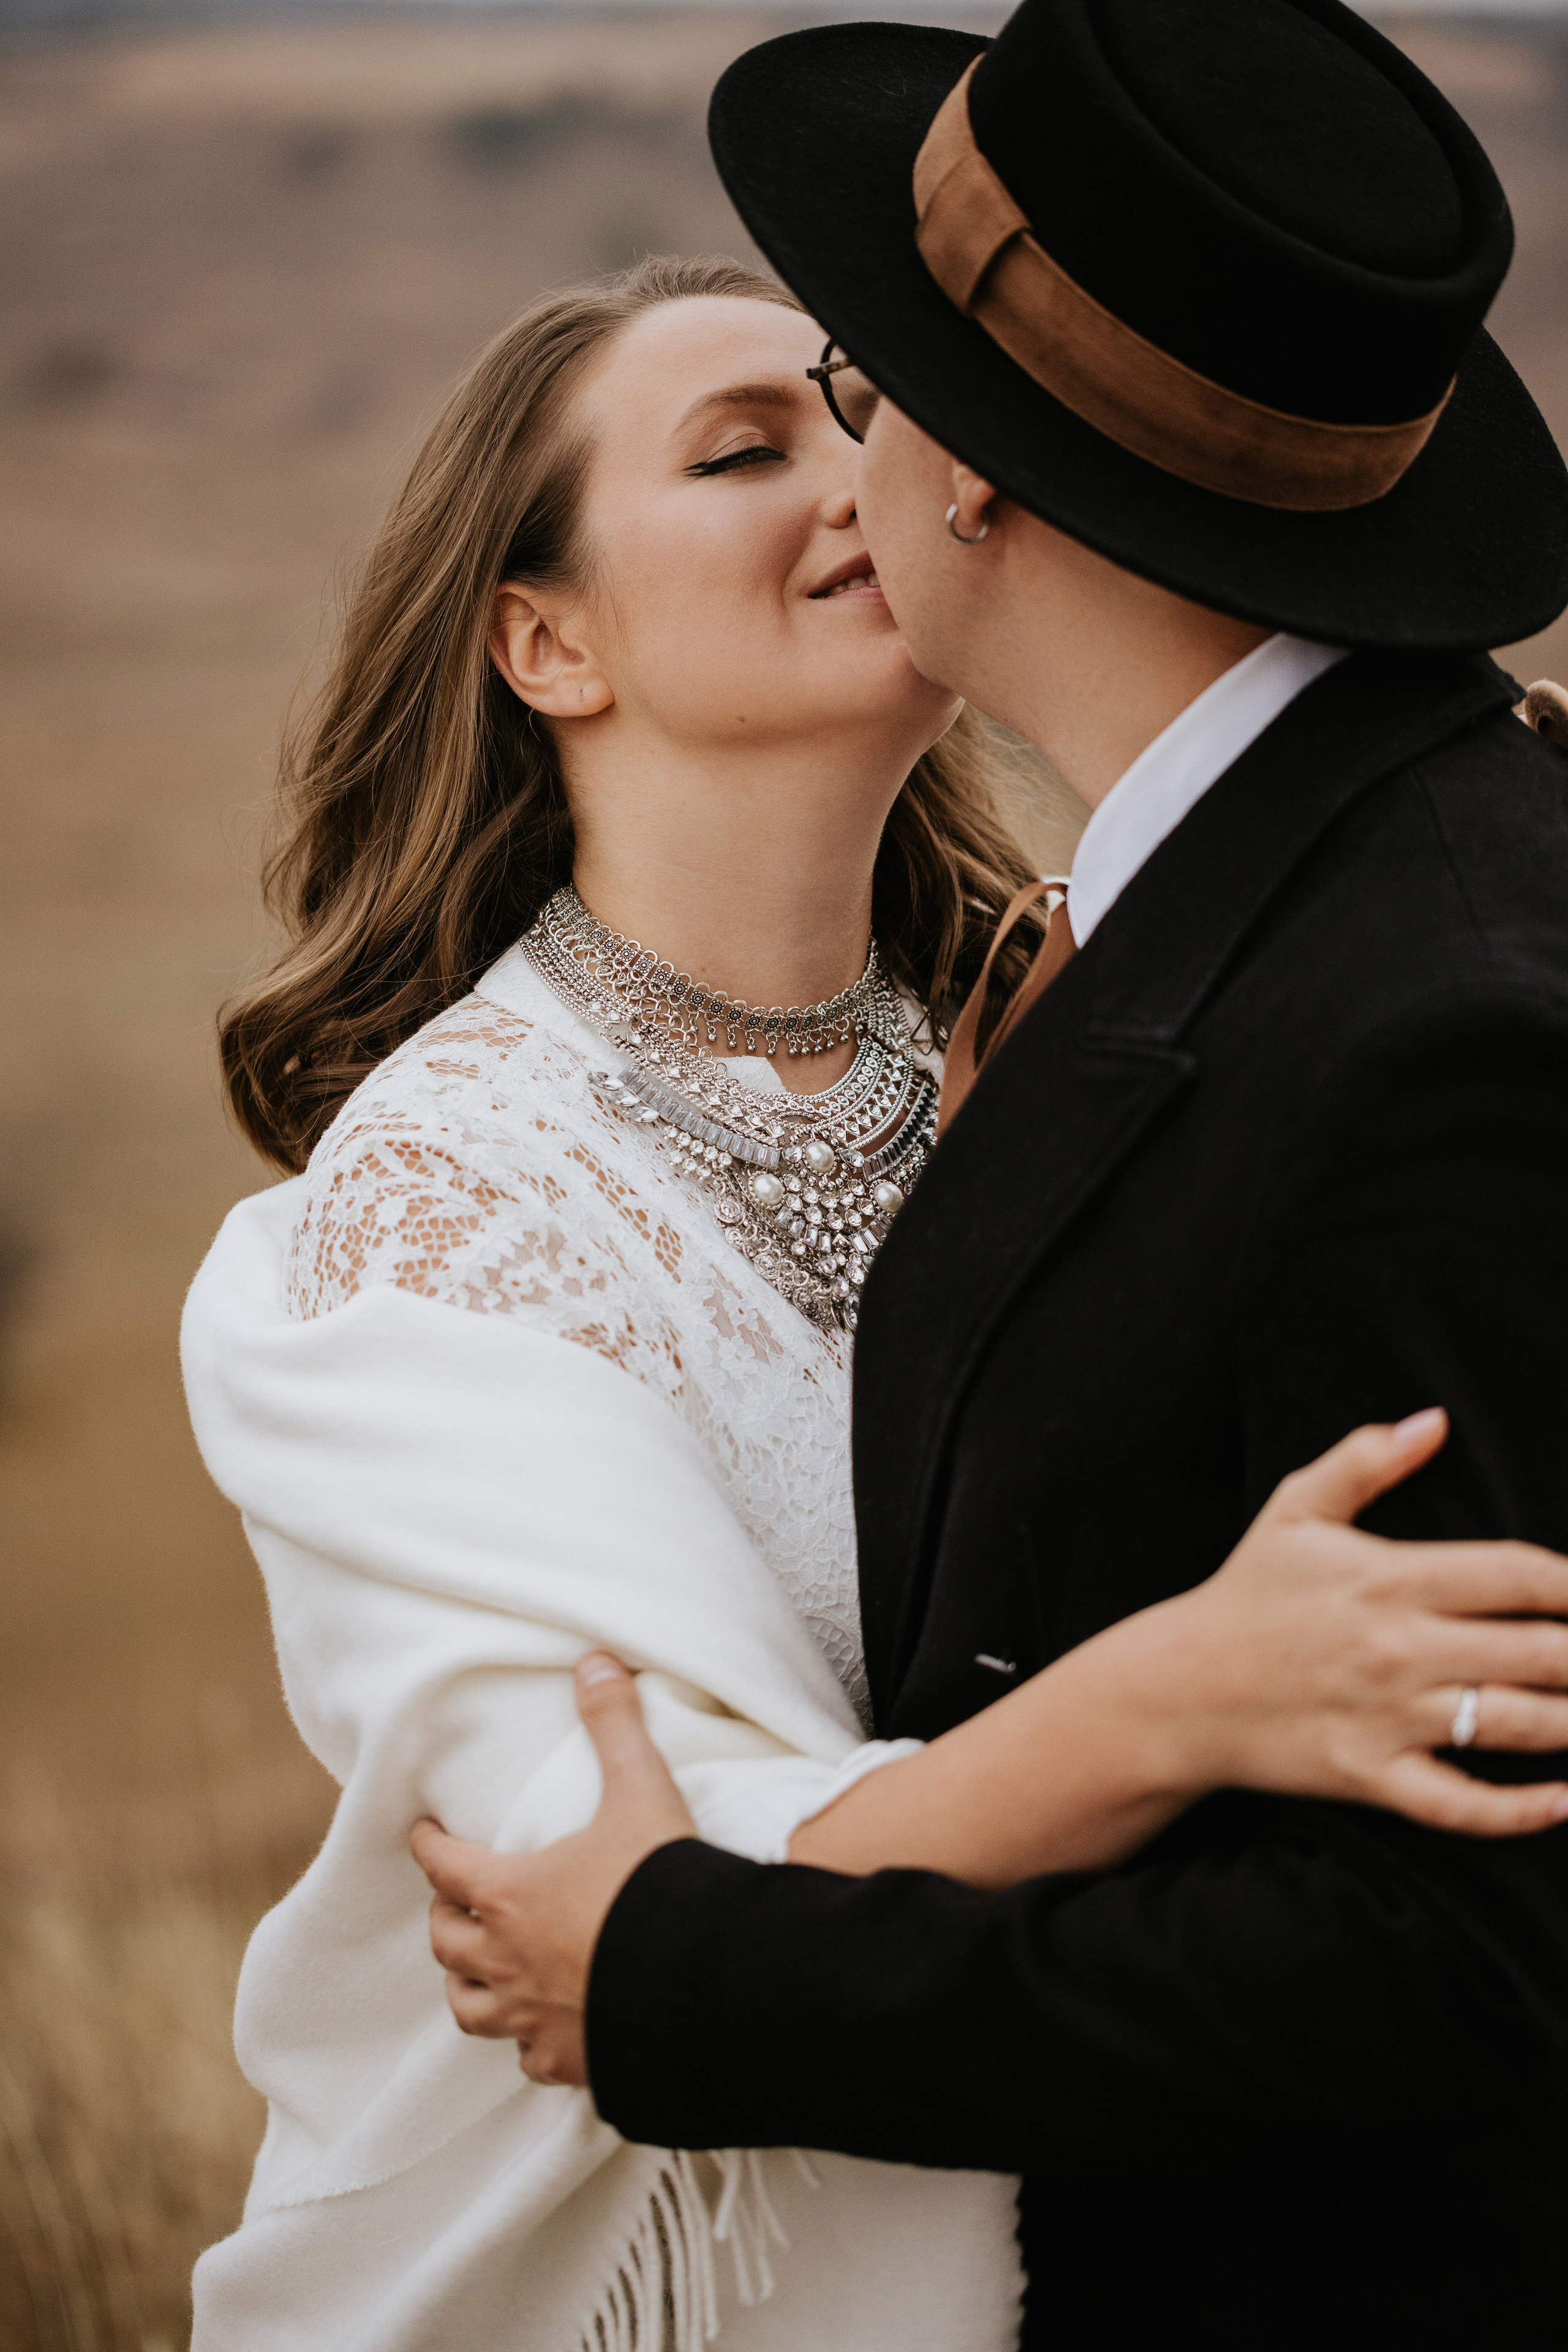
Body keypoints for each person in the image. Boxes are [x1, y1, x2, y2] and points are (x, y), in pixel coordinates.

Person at [406, 4, 1568, 2348]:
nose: (848, 467)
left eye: (855, 390)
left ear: (974, 484)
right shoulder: (1268, 900)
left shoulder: (1434, 1032)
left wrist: (691, 1983)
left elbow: (1481, 1960)